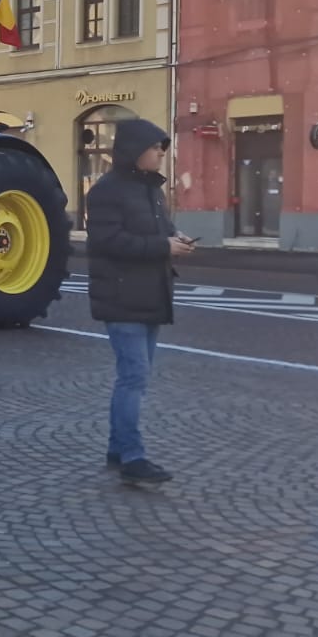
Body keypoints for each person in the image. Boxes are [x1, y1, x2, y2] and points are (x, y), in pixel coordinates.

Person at [85, 118, 193, 486]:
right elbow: (109, 242)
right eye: (155, 147)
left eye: (163, 147)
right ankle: (133, 456)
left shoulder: (152, 190)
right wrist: (164, 246)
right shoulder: (105, 192)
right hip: (122, 296)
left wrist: (176, 236)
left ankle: (118, 449)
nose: (162, 152)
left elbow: (156, 230)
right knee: (133, 378)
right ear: (135, 150)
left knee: (135, 379)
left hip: (150, 294)